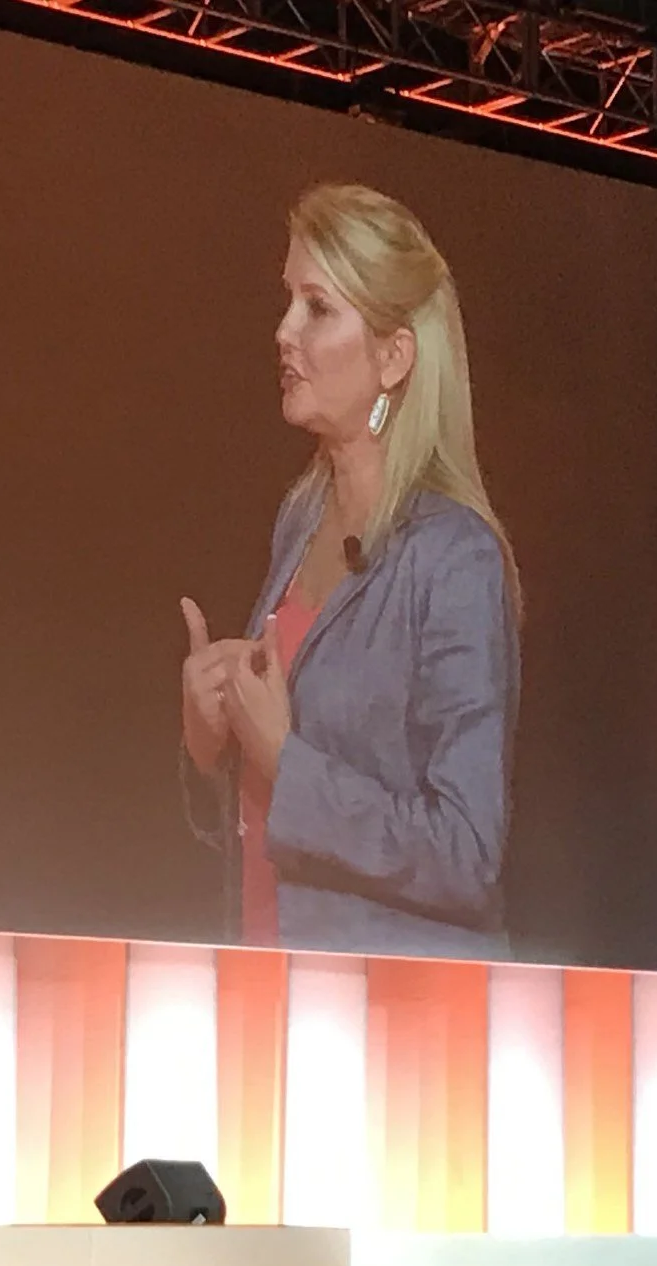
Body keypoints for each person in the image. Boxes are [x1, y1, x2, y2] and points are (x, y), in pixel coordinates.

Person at [180, 183, 522, 960]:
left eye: (316, 307)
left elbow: (467, 853)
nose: (283, 332)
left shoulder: (453, 557)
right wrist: (212, 741)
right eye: (288, 302)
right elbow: (275, 802)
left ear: (394, 356)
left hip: (397, 1026)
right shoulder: (300, 519)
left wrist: (287, 763)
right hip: (274, 983)